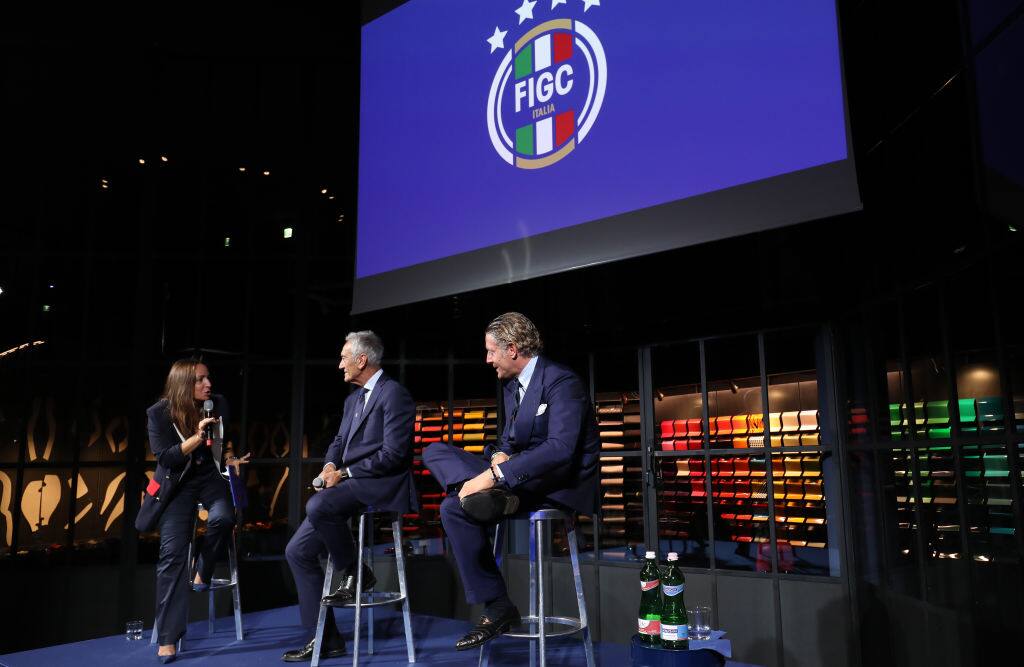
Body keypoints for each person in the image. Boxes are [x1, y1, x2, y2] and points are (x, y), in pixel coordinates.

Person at [422, 312, 600, 651]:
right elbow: (508, 441)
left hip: (554, 485)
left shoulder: (562, 382)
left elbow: (561, 449)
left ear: (512, 349)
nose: (487, 359)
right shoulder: (511, 386)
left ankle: (493, 494)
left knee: (453, 506)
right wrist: (495, 459)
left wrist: (495, 475)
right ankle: (499, 604)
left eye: (491, 351)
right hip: (514, 478)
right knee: (435, 453)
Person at [282, 331, 417, 662]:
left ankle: (356, 571)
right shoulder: (352, 400)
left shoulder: (394, 395)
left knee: (317, 504)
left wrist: (345, 473)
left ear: (362, 359)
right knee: (296, 551)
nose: (340, 363)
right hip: (350, 484)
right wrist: (330, 464)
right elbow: (339, 441)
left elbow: (395, 454)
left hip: (381, 482)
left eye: (344, 357)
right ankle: (326, 638)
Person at [136, 359, 249, 664]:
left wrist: (231, 457)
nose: (208, 384)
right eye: (200, 380)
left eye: (208, 378)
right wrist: (197, 437)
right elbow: (167, 458)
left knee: (226, 517)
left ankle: (204, 568)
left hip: (210, 479)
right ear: (184, 384)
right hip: (178, 486)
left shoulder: (218, 403)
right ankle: (169, 638)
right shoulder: (159, 414)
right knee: (172, 555)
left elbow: (226, 440)